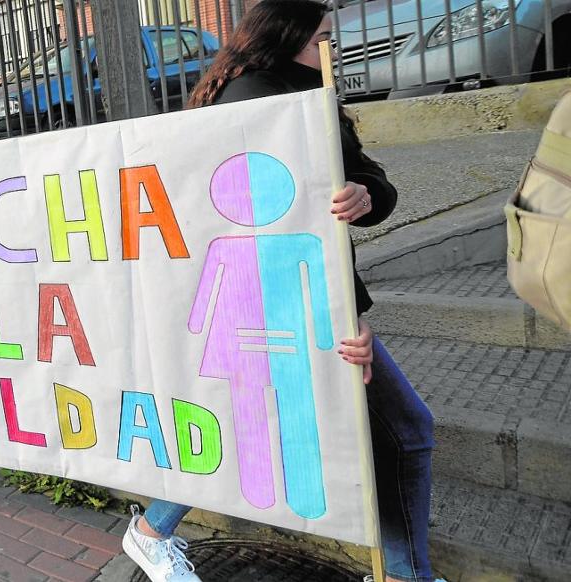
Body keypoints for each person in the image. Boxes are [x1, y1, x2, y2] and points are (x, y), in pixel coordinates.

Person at [119, 3, 438, 582]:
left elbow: (366, 176)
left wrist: (366, 195)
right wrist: (336, 314)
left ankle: (151, 530)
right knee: (402, 432)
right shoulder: (259, 98)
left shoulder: (306, 88)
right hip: (292, 304)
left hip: (304, 301)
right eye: (320, 37)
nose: (330, 49)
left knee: (255, 428)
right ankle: (405, 574)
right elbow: (266, 223)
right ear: (286, 35)